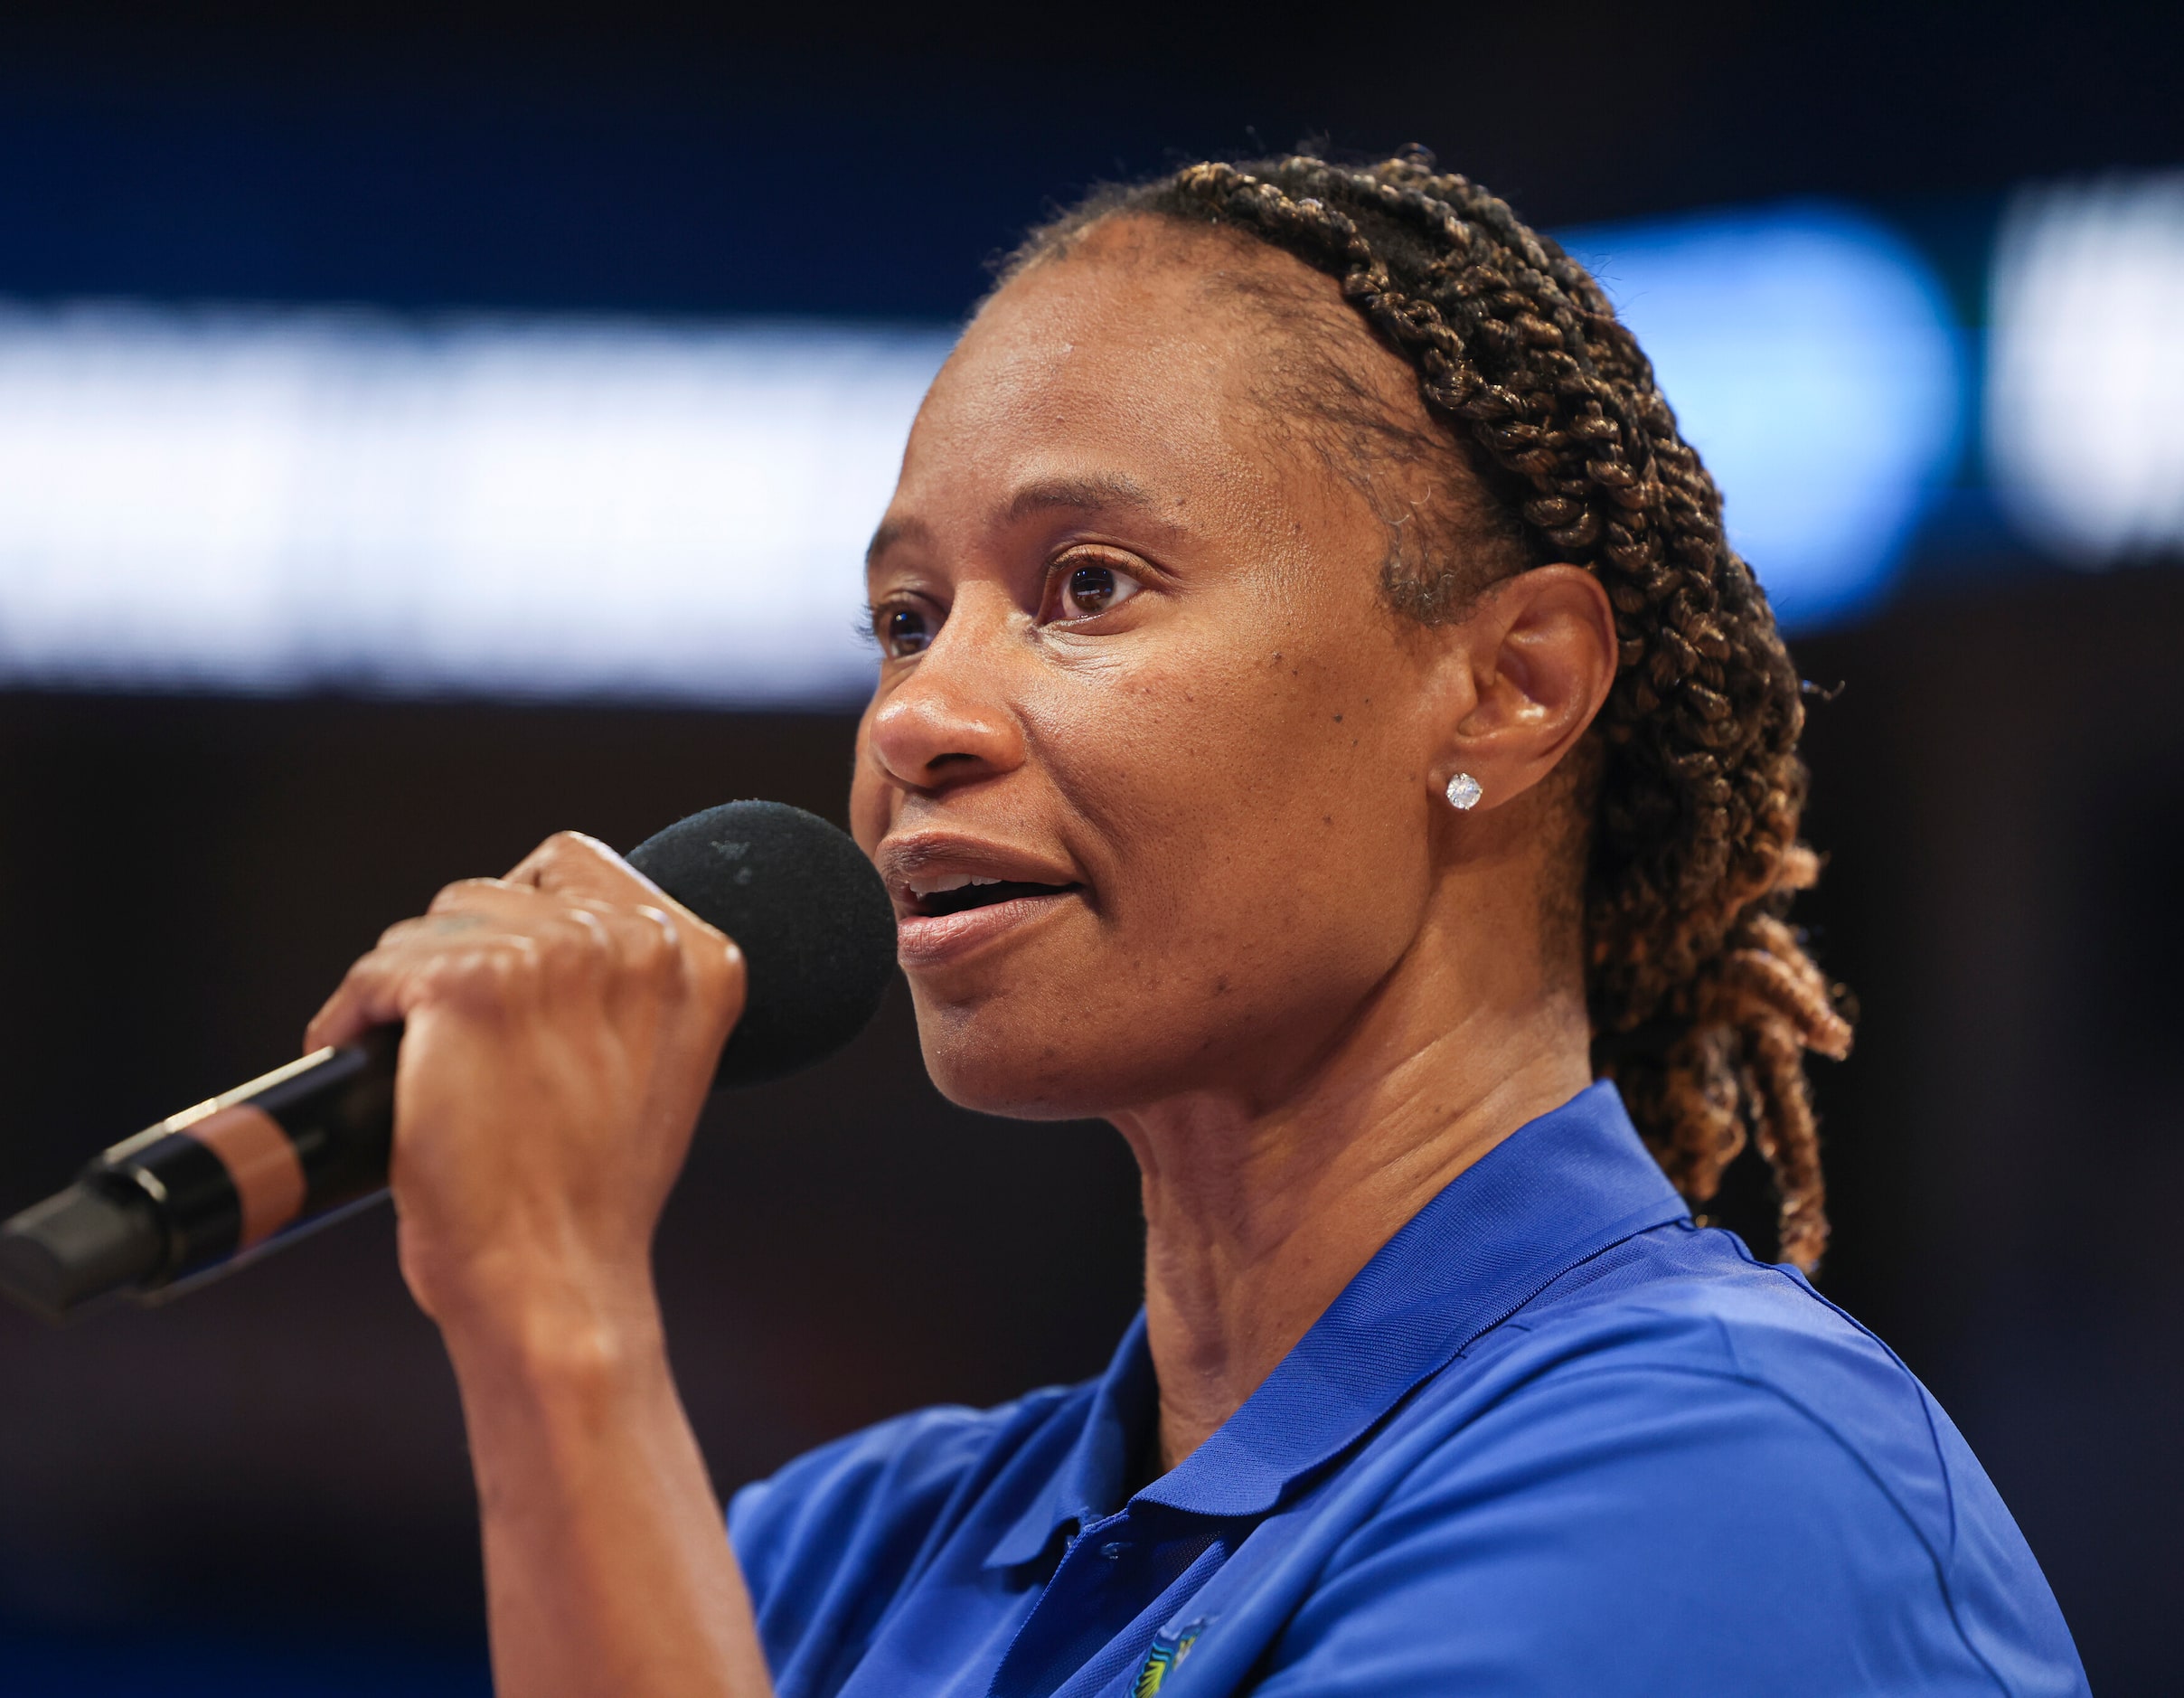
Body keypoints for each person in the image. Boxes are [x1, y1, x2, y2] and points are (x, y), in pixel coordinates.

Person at [303, 151, 2086, 1695]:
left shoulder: (1721, 1485)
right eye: (906, 616)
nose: (915, 718)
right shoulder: (832, 1557)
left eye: (1089, 586)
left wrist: (558, 1319)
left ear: (1506, 690)